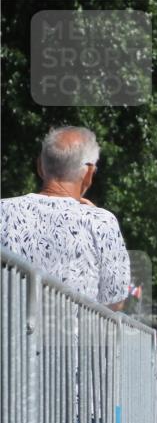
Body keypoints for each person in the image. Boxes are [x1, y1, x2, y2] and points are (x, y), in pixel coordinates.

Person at [1, 126, 130, 309]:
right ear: (89, 173)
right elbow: (115, 300)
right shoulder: (101, 222)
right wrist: (99, 218)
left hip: (10, 327)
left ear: (40, 166)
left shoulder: (3, 211)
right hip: (76, 328)